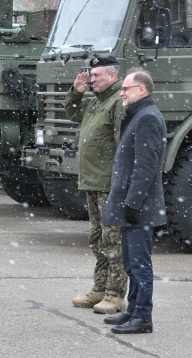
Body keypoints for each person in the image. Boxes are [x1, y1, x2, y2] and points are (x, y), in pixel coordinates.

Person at [101, 69, 166, 334]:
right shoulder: (139, 115)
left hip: (139, 206)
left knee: (139, 264)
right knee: (130, 262)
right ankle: (132, 309)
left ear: (142, 90)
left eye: (126, 88)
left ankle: (143, 317)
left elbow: (145, 167)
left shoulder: (147, 118)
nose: (122, 93)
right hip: (132, 204)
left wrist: (133, 202)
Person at [65, 56, 128, 314]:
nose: (92, 80)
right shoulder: (95, 102)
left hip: (108, 184)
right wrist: (76, 93)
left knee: (113, 241)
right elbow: (72, 113)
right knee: (97, 239)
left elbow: (122, 147)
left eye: (97, 76)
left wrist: (118, 184)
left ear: (112, 76)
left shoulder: (117, 103)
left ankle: (116, 295)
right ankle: (100, 289)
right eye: (91, 76)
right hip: (92, 182)